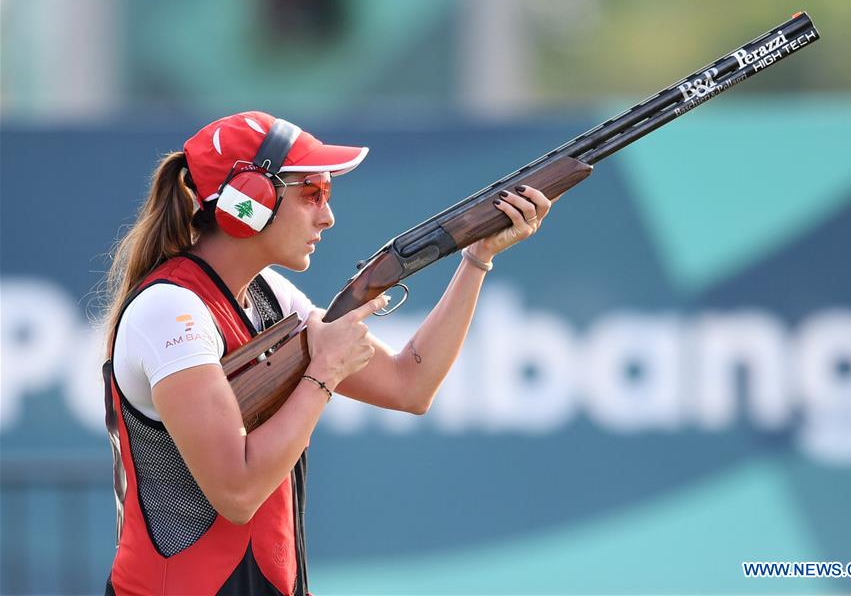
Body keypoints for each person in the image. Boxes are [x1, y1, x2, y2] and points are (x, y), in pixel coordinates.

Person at [101, 111, 552, 596]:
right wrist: (324, 373)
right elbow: (237, 491)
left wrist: (477, 257)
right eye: (312, 193)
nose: (328, 215)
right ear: (250, 202)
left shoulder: (271, 296)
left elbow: (411, 385)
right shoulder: (170, 311)